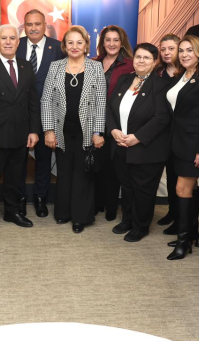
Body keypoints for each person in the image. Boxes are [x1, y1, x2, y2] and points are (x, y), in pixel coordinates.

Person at [0, 24, 40, 237]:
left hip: (21, 135)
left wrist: (33, 130)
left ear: (18, 42)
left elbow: (33, 100)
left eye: (12, 38)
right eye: (4, 38)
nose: (8, 42)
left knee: (14, 178)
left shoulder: (26, 66)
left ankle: (12, 212)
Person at [42, 26, 107, 233]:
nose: (75, 46)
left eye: (79, 42)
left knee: (82, 174)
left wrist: (97, 132)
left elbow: (101, 103)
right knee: (63, 172)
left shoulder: (96, 67)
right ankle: (63, 212)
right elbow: (46, 100)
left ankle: (80, 217)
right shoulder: (55, 67)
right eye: (70, 42)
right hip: (61, 130)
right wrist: (48, 130)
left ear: (86, 45)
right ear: (64, 46)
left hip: (86, 132)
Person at [164, 35, 199, 260]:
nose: (184, 54)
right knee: (191, 188)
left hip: (194, 144)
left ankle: (182, 241)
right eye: (181, 50)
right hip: (177, 141)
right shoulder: (181, 76)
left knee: (182, 189)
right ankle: (191, 234)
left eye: (190, 50)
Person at [106, 43, 170, 242]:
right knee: (126, 186)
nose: (141, 61)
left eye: (146, 57)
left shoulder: (160, 85)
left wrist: (138, 137)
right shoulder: (125, 79)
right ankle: (127, 220)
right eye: (138, 57)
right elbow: (110, 108)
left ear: (155, 61)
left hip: (146, 148)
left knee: (143, 190)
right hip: (121, 144)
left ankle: (140, 226)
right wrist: (113, 130)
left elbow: (161, 117)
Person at [15, 9, 64, 218]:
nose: (33, 28)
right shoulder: (15, 45)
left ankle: (41, 197)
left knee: (44, 158)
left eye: (37, 24)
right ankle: (19, 198)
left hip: (47, 113)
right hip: (19, 112)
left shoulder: (59, 47)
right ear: (24, 27)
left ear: (45, 26)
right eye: (29, 24)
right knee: (18, 159)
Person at [94, 25, 134, 221]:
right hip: (94, 121)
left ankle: (111, 207)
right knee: (96, 166)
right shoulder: (93, 63)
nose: (111, 43)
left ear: (122, 42)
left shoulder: (130, 65)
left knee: (113, 168)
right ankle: (97, 203)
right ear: (102, 42)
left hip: (118, 124)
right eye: (108, 40)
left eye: (115, 40)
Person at [154, 34, 182, 232]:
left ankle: (179, 216)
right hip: (159, 132)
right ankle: (172, 212)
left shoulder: (187, 73)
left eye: (171, 48)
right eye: (163, 49)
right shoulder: (157, 73)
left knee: (178, 176)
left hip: (179, 132)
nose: (166, 52)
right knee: (167, 175)